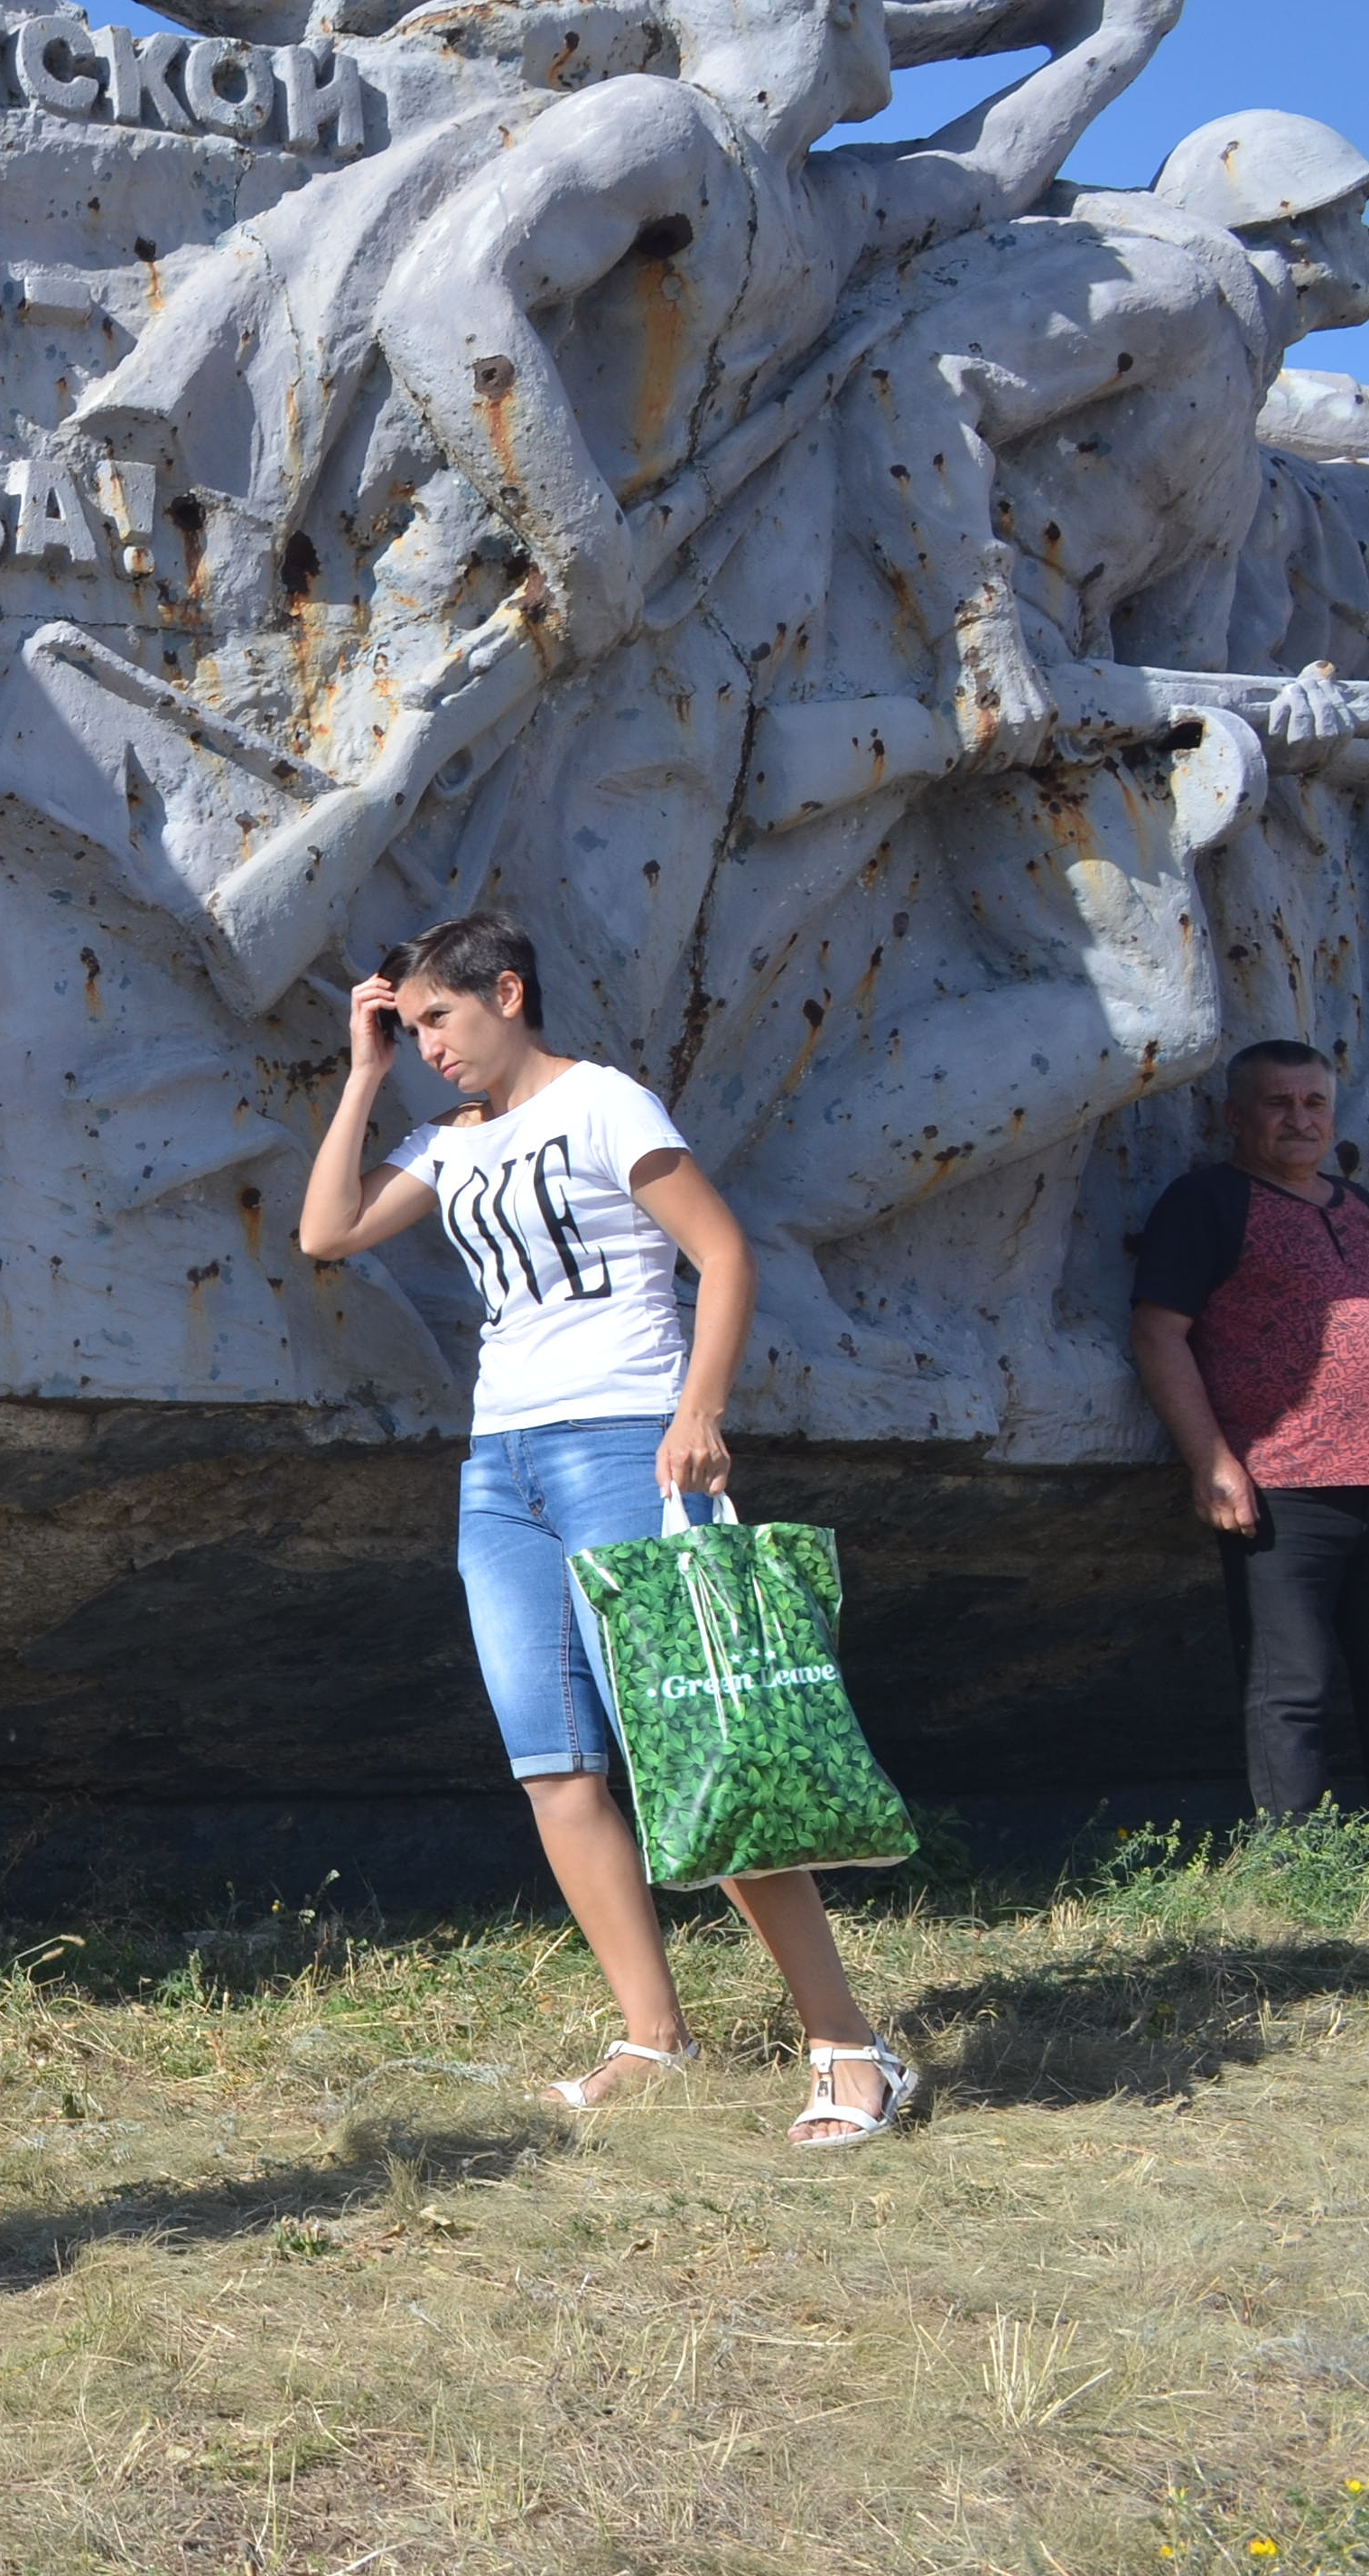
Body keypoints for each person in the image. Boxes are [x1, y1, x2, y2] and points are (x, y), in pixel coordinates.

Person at [295, 909, 917, 2146]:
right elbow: (326, 1232)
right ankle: (654, 2033)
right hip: (501, 1469)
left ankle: (852, 2049)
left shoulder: (606, 1104)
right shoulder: (443, 1140)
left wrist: (702, 1411)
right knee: (554, 1763)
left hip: (624, 1445)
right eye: (407, 1027)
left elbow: (724, 1254)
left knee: (703, 1751)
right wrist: (361, 1074)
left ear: (508, 993)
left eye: (436, 1020)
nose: (426, 1046)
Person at [1129, 1043, 1369, 1881]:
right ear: (1234, 1117)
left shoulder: (1357, 1204)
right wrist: (1210, 1460)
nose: (1299, 1118)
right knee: (1294, 1690)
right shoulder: (1206, 1201)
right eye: (1277, 1103)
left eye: (1314, 1102)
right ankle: (1305, 1875)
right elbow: (1158, 1333)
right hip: (1283, 1485)